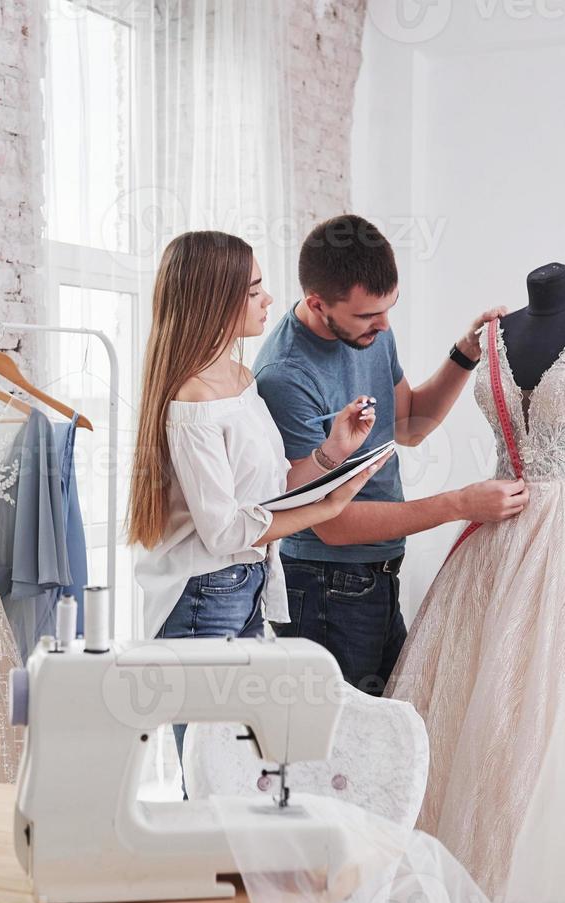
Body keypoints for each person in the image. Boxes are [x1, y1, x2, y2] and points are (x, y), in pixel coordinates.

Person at [253, 214, 527, 695]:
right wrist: (459, 505)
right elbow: (332, 524)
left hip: (375, 577)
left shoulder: (371, 330)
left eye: (388, 310)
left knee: (388, 737)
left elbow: (409, 425)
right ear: (318, 304)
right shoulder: (286, 375)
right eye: (367, 316)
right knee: (342, 755)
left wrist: (465, 354)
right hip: (324, 586)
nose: (383, 325)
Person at [131, 229, 385, 645]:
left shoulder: (241, 379)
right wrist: (327, 509)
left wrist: (333, 451)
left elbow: (271, 490)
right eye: (253, 292)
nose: (268, 299)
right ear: (213, 299)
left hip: (248, 582)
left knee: (244, 711)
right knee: (206, 712)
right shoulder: (194, 402)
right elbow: (225, 533)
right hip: (203, 594)